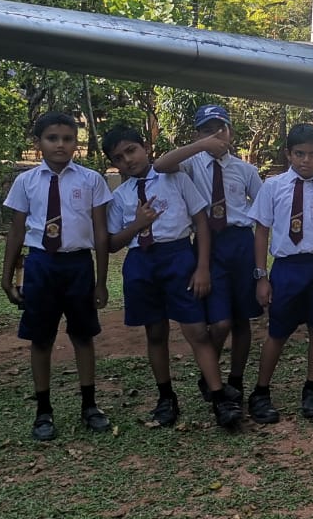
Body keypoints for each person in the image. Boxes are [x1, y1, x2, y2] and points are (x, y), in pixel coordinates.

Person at [103, 126, 242, 429]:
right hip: (141, 264)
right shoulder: (120, 196)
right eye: (119, 158)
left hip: (179, 258)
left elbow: (201, 223)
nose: (128, 160)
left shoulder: (175, 178)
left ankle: (218, 397)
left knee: (197, 331)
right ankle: (166, 397)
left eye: (131, 150)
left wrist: (202, 267)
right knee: (155, 333)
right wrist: (137, 224)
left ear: (145, 147)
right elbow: (112, 243)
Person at [2, 112, 112, 441]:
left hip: (78, 265)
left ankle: (89, 405)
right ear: (38, 143)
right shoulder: (26, 182)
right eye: (52, 138)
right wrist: (6, 277)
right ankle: (43, 410)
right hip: (41, 265)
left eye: (67, 138)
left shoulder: (91, 180)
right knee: (41, 338)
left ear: (76, 143)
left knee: (83, 335)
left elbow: (100, 232)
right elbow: (17, 231)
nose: (60, 144)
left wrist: (101, 280)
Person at [153, 104, 262, 400]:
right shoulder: (191, 165)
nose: (214, 135)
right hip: (208, 243)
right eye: (206, 130)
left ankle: (235, 380)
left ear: (231, 132)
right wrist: (201, 146)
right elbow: (160, 166)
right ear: (197, 135)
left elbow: (263, 207)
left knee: (241, 319)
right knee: (221, 321)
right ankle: (210, 374)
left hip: (240, 243)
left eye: (220, 129)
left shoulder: (245, 169)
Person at [247, 123, 313, 423]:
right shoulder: (273, 187)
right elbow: (261, 232)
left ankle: (312, 388)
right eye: (299, 153)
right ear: (288, 154)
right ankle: (261, 392)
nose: (306, 160)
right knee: (278, 332)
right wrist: (261, 276)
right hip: (288, 269)